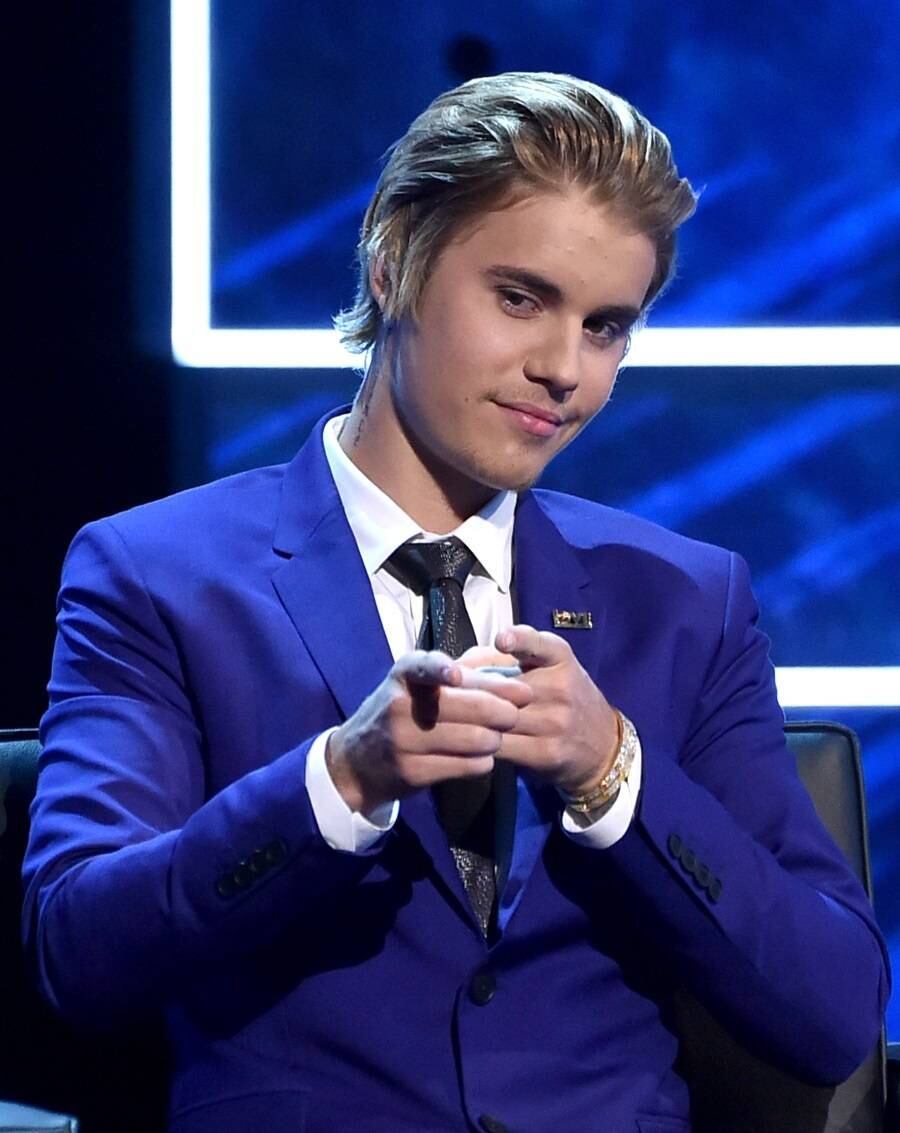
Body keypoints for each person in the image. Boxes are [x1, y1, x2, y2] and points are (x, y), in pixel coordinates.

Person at [23, 72, 889, 1133]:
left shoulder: (685, 600)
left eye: (606, 326)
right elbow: (79, 949)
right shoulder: (157, 573)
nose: (563, 368)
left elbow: (833, 1012)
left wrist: (615, 769)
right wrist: (340, 780)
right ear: (394, 262)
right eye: (521, 298)